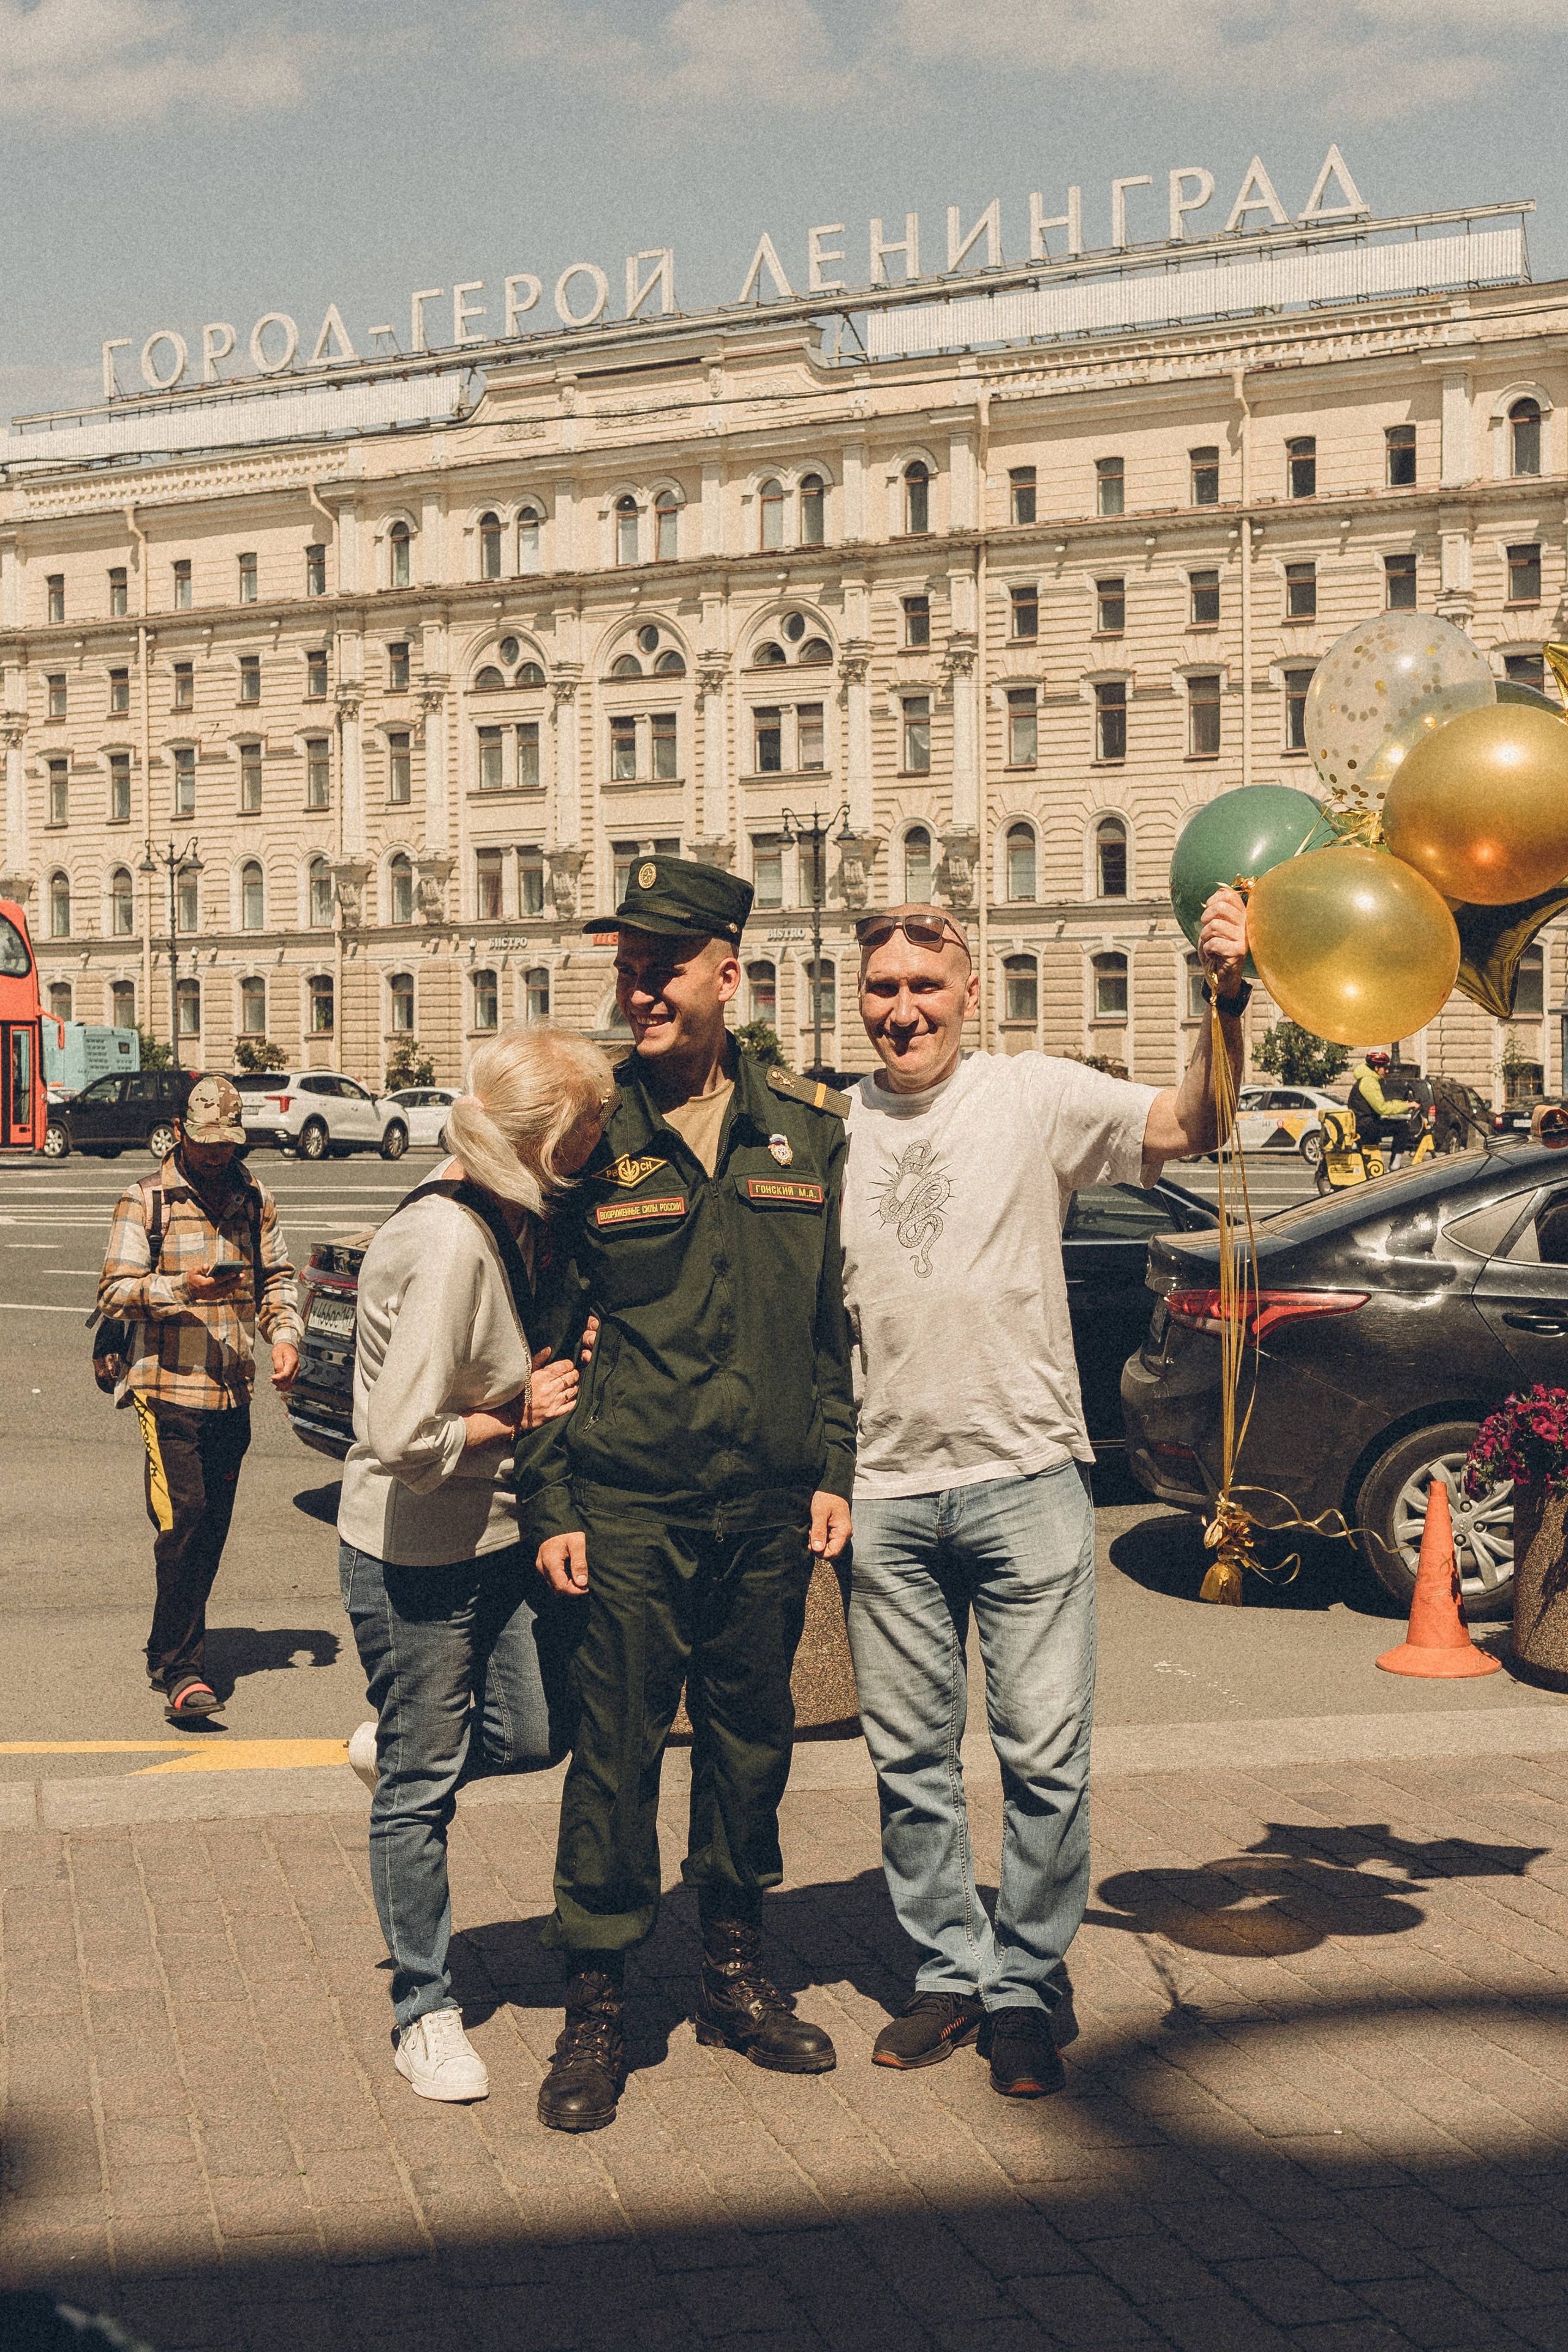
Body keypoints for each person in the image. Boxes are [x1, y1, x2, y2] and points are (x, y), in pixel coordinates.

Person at [840, 890, 1249, 2099]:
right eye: (881, 987)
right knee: (910, 1763)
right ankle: (946, 1971)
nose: (902, 1009)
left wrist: (1227, 997)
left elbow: (1195, 1123)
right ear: (857, 998)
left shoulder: (1031, 1095)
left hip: (1024, 1479)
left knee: (1046, 1759)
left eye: (925, 985)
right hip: (885, 1491)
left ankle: (1022, 1982)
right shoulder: (830, 1128)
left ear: (969, 992)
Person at [518, 853, 856, 2134]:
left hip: (766, 1503)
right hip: (629, 1504)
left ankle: (732, 1974)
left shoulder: (807, 1128)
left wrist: (833, 1468)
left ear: (730, 975)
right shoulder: (589, 1132)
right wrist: (551, 1503)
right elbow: (543, 1344)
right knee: (612, 1760)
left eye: (664, 966)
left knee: (750, 1746)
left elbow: (828, 1329)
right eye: (629, 967)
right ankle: (598, 2003)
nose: (640, 989)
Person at [338, 1024, 614, 2104]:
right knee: (422, 1792)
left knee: (537, 1731)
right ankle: (424, 2011)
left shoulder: (501, 1206)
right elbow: (400, 1439)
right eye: (589, 1130)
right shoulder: (450, 1241)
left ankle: (400, 1750)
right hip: (414, 1551)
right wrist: (519, 1409)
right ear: (546, 1139)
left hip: (493, 1537)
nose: (598, 1149)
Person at [96, 1073, 301, 1725]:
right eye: (206, 1143)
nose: (216, 1154)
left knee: (210, 1530)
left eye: (227, 1143)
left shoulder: (254, 1197)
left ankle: (167, 1645)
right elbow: (114, 1293)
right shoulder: (144, 1201)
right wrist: (180, 1287)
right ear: (181, 1134)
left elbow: (278, 1279)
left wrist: (285, 1337)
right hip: (165, 1391)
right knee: (183, 1520)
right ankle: (183, 1670)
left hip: (233, 1390)